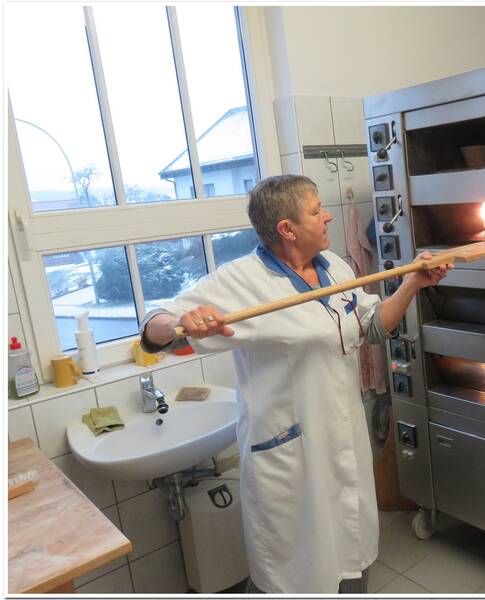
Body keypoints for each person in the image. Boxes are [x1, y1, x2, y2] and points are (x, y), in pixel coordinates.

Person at [140, 175, 452, 594]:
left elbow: (373, 326)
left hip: (341, 442)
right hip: (288, 454)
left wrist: (413, 283)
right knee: (293, 570)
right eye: (316, 209)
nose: (327, 216)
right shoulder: (243, 281)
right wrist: (180, 323)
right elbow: (153, 326)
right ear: (287, 229)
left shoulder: (335, 268)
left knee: (348, 557)